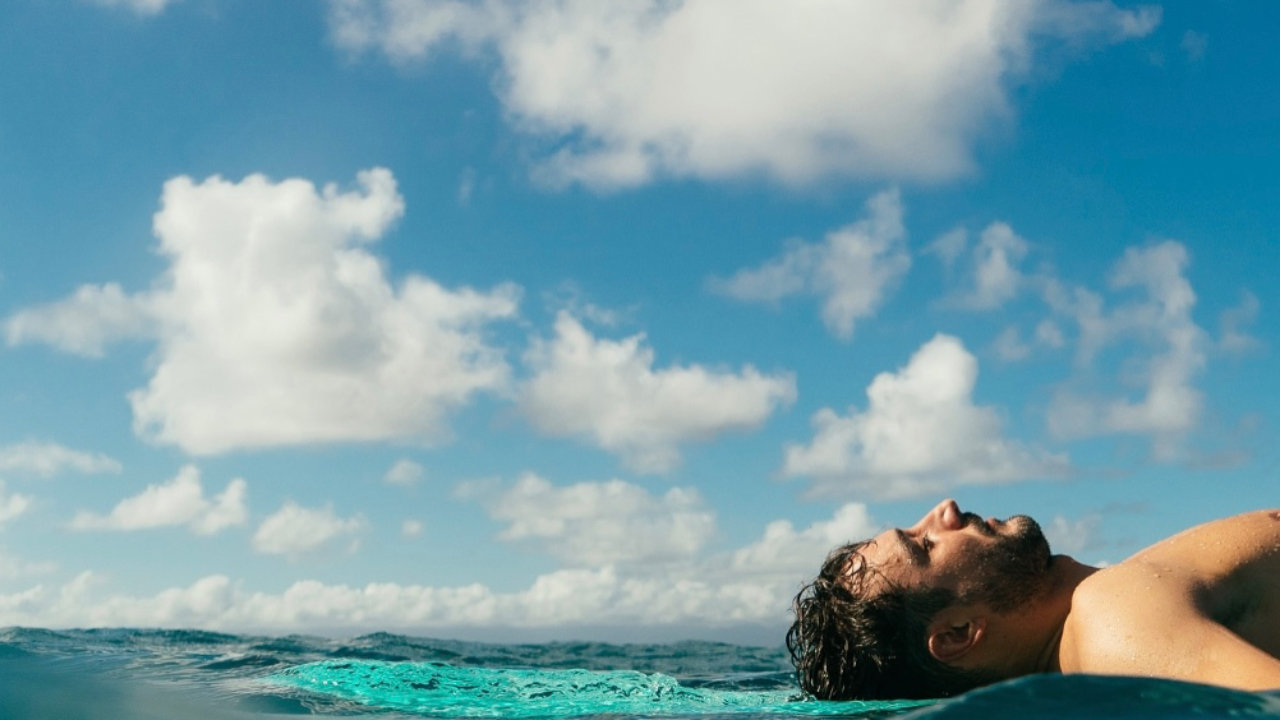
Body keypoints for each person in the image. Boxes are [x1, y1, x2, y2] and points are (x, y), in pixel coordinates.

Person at [786, 499, 1280, 700]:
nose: (947, 510)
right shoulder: (1114, 620)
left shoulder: (1106, 613)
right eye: (926, 545)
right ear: (958, 634)